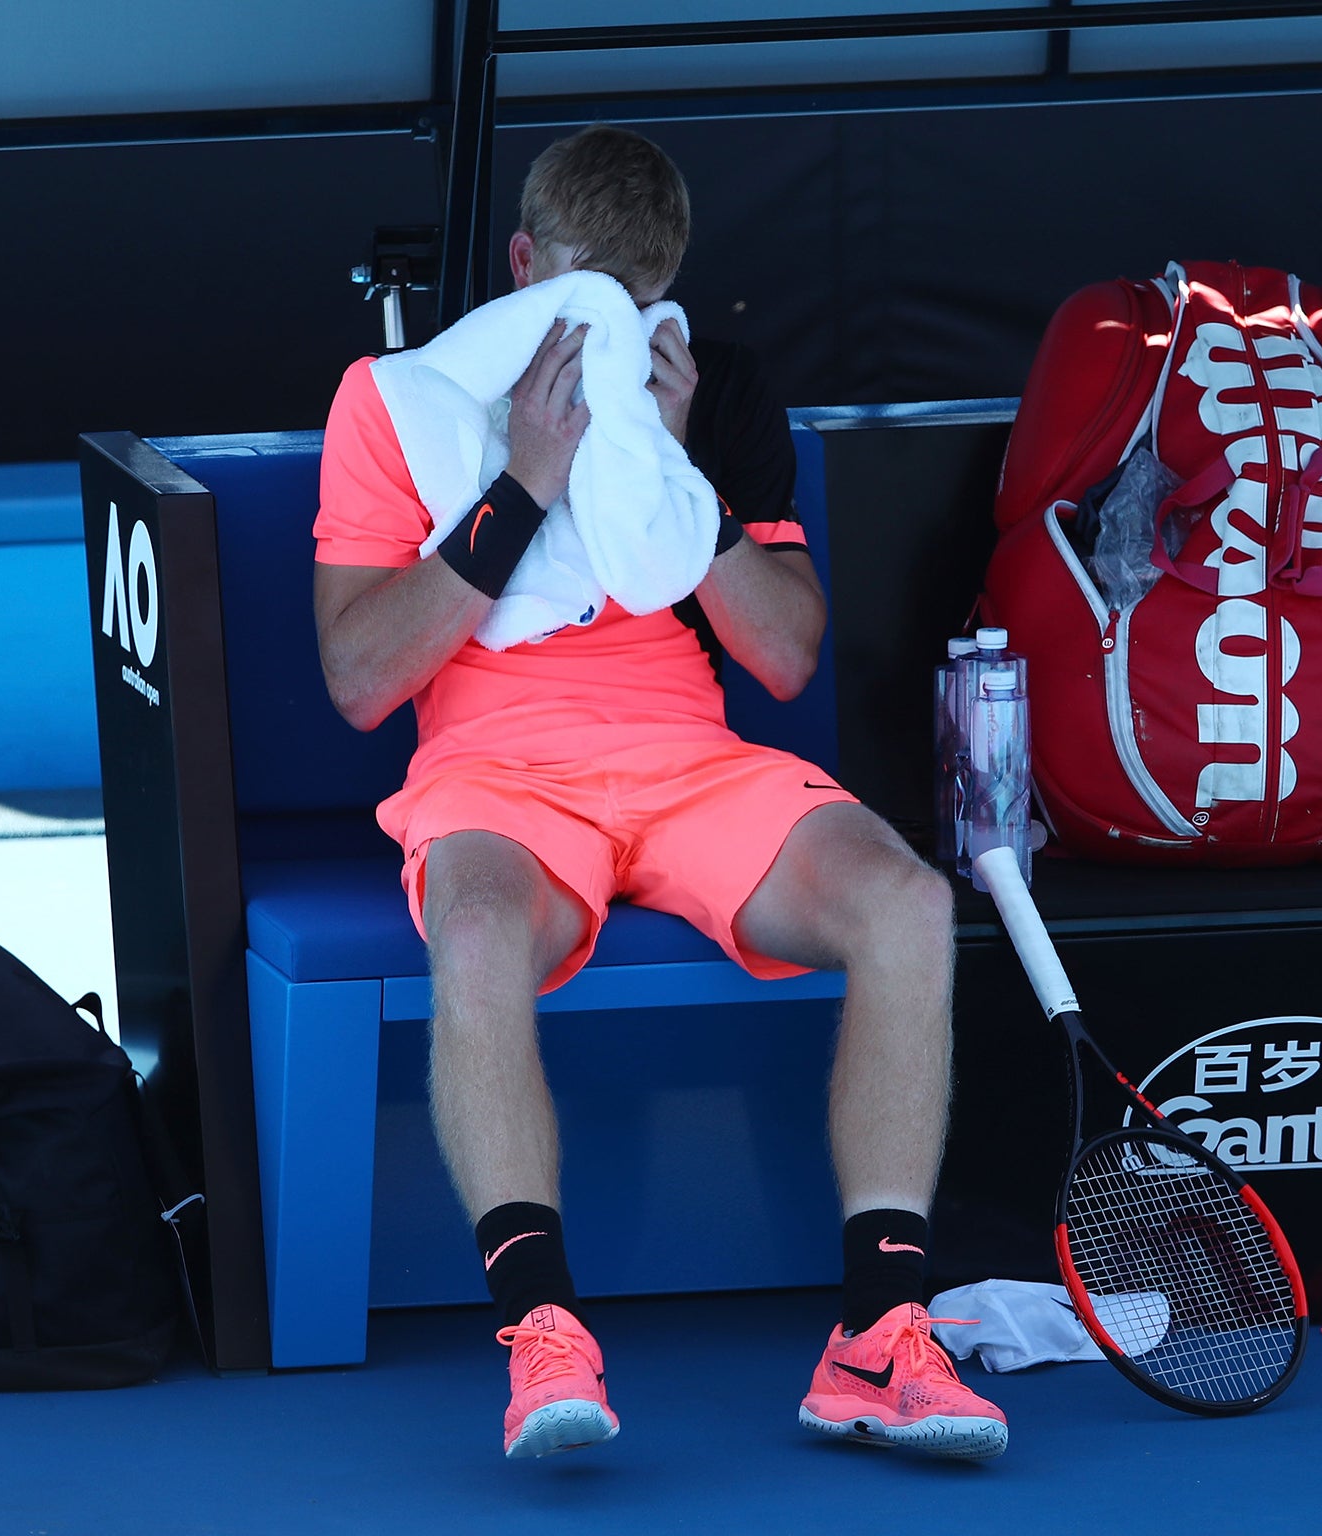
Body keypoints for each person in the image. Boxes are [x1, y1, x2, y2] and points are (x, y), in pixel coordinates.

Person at [312, 124, 1006, 1464]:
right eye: (576, 307)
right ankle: (540, 1331)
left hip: (694, 765)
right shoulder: (398, 403)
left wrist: (675, 477)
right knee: (474, 933)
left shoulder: (716, 392)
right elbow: (358, 675)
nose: (605, 347)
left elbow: (786, 654)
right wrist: (524, 481)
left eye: (630, 319)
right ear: (522, 269)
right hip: (497, 769)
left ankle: (879, 1335)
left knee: (907, 903)